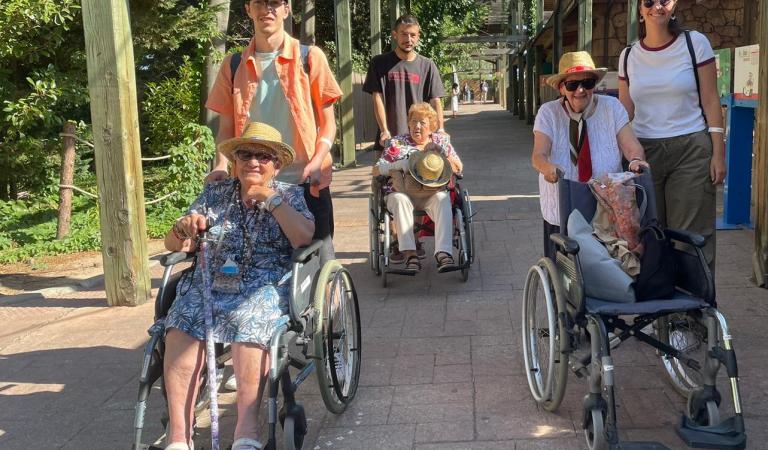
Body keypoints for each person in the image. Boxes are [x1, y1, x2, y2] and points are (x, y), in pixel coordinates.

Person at [162, 122, 315, 450]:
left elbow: (303, 237)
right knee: (180, 327)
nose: (254, 162)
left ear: (277, 164)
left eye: (264, 156)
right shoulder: (215, 194)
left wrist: (270, 199)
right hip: (210, 283)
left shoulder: (290, 195)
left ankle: (246, 434)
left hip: (264, 285)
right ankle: (178, 438)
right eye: (246, 154)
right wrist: (183, 228)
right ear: (234, 160)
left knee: (249, 321)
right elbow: (176, 244)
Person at [204, 0, 342, 266]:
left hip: (305, 182)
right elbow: (226, 130)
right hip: (252, 184)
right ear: (248, 9)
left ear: (286, 9)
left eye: (275, 2)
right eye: (259, 2)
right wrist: (222, 164)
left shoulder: (310, 58)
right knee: (253, 266)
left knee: (319, 267)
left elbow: (329, 124)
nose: (267, 9)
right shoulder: (232, 66)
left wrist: (317, 160)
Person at [618, 0, 725, 271]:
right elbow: (623, 113)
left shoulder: (694, 43)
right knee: (651, 232)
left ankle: (695, 306)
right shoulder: (628, 56)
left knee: (691, 236)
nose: (658, 7)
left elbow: (711, 100)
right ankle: (661, 304)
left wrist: (718, 153)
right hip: (645, 153)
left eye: (664, 0)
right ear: (640, 10)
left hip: (690, 148)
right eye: (649, 2)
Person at [532, 51, 648, 260]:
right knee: (565, 268)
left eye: (587, 83)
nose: (580, 90)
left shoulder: (612, 107)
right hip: (563, 199)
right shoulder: (548, 112)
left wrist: (636, 160)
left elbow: (631, 146)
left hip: (607, 202)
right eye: (572, 85)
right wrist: (548, 168)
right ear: (561, 88)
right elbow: (539, 154)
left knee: (609, 265)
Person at [373, 103, 463, 272]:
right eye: (413, 121)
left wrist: (441, 156)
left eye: (422, 122)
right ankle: (410, 254)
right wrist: (398, 164)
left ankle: (443, 253)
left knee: (443, 199)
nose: (417, 126)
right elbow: (376, 170)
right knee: (400, 201)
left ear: (432, 126)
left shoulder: (440, 142)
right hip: (401, 192)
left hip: (430, 194)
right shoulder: (397, 143)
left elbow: (458, 168)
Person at [363, 13, 446, 153]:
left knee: (422, 174)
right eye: (404, 34)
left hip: (421, 141)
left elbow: (435, 101)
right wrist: (384, 130)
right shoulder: (379, 63)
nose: (408, 39)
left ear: (418, 37)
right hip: (390, 141)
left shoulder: (427, 65)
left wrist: (440, 129)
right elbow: (377, 98)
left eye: (413, 35)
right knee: (383, 173)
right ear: (395, 35)